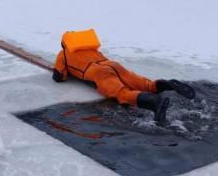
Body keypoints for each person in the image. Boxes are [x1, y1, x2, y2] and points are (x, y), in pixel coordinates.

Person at [52, 29, 195, 122]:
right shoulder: (92, 49)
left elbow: (59, 77)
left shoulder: (64, 53)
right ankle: (168, 84)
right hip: (113, 65)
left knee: (122, 93)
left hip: (97, 72)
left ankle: (154, 102)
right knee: (145, 84)